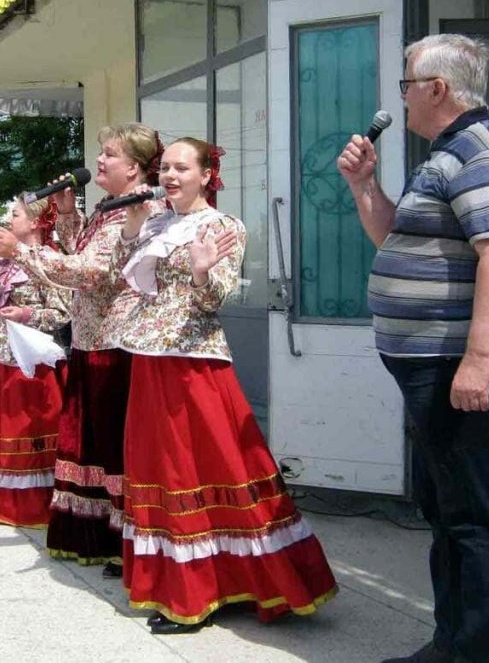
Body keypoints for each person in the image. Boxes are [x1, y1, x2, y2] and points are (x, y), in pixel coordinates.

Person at [337, 34, 489, 663]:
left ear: (437, 90)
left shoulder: (481, 150)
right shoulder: (444, 154)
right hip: (432, 368)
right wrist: (364, 186)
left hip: (459, 367)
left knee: (474, 520)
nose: (401, 98)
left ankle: (475, 655)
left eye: (406, 84)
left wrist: (479, 363)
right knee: (447, 511)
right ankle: (450, 647)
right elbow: (393, 236)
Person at [115, 138, 338, 634]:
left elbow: (216, 296)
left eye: (181, 168)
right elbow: (121, 279)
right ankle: (187, 584)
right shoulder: (155, 222)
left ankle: (212, 588)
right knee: (159, 468)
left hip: (193, 360)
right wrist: (133, 225)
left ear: (205, 175)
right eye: (165, 168)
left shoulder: (223, 226)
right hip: (151, 357)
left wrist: (199, 270)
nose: (170, 176)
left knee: (204, 465)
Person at [0, 123, 165, 575]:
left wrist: (22, 251)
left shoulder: (143, 208)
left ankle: (125, 540)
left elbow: (91, 273)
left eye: (109, 154)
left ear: (135, 167)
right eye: (101, 153)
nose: (99, 161)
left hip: (117, 345)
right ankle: (106, 537)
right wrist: (68, 216)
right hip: (92, 340)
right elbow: (81, 255)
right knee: (94, 448)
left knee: (114, 450)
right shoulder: (108, 208)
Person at [0, 197, 72, 527]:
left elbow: (62, 312)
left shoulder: (49, 259)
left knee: (27, 426)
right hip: (2, 354)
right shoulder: (4, 262)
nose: (9, 219)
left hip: (33, 359)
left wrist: (26, 313)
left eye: (15, 214)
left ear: (35, 222)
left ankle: (29, 506)